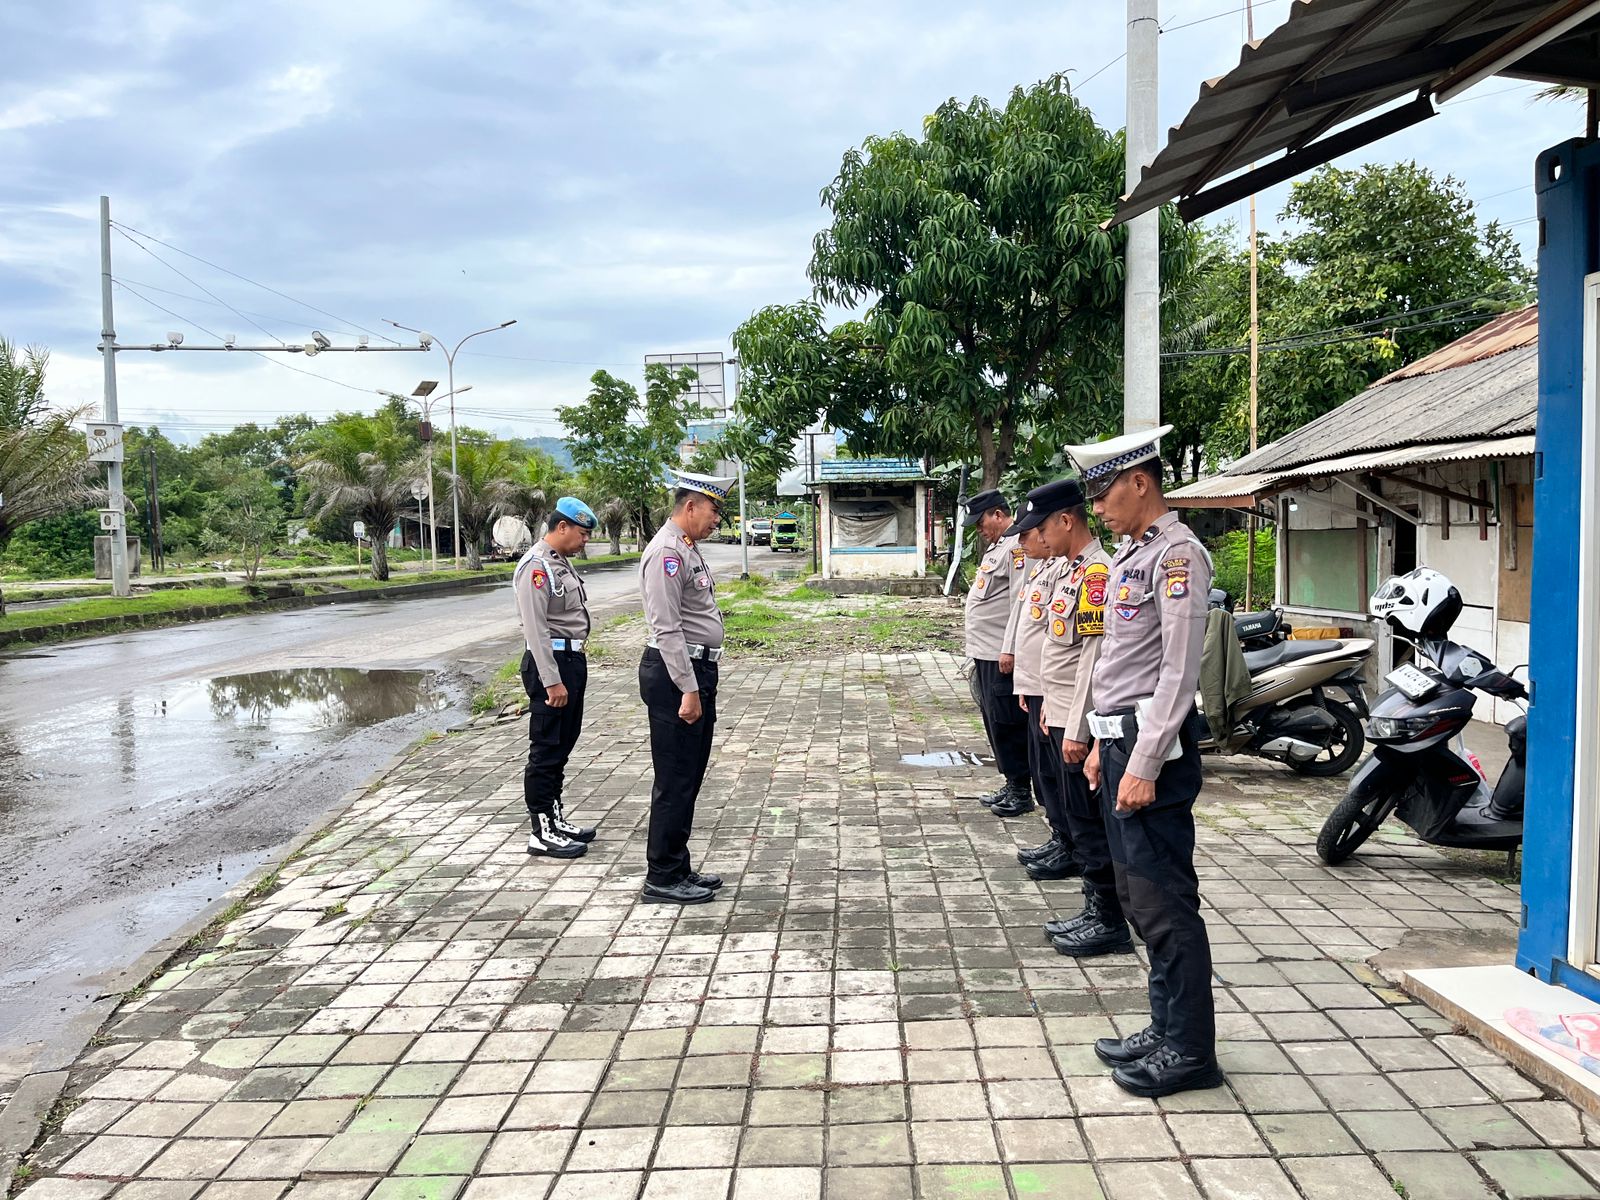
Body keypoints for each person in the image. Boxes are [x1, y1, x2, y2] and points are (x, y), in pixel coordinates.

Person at [1065, 424, 1224, 1099]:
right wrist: (1103, 746)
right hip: (1121, 743)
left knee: (1165, 899)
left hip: (1151, 748)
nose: (1098, 507)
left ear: (1140, 482)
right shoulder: (1136, 554)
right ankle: (1165, 1027)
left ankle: (1190, 1049)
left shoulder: (1178, 557)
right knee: (1137, 896)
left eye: (1104, 493)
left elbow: (1178, 673)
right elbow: (1117, 665)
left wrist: (1145, 762)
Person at [1025, 478, 1134, 957]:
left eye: (1044, 528)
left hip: (1079, 720)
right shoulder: (1069, 571)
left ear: (1066, 521)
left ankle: (1108, 918)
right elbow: (1059, 653)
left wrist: (1078, 728)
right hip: (1061, 711)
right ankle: (1095, 907)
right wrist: (1049, 705)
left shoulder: (1096, 575)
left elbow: (1092, 659)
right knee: (1074, 814)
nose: (1040, 537)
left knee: (1089, 821)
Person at [637, 469, 731, 905]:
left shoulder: (686, 548)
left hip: (695, 671)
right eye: (713, 510)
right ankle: (661, 876)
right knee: (674, 778)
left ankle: (677, 866)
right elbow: (666, 627)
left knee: (688, 775)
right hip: (677, 675)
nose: (717, 520)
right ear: (690, 506)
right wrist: (688, 688)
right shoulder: (667, 553)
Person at [514, 497, 601, 858]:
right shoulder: (536, 567)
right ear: (561, 527)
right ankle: (541, 832)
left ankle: (555, 818)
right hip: (550, 663)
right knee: (546, 749)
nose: (585, 540)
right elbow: (535, 630)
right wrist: (551, 680)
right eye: (582, 533)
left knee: (563, 745)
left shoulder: (559, 562)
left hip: (570, 659)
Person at [997, 505, 1077, 876]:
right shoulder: (1044, 568)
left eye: (1035, 532)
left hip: (1054, 690)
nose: (1031, 540)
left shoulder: (1074, 571)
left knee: (1061, 777)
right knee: (1045, 773)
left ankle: (1071, 844)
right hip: (1036, 685)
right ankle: (1060, 836)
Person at [961, 489, 1032, 815]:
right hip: (986, 651)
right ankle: (1011, 781)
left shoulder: (1017, 548)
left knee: (1007, 722)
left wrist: (1011, 648)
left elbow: (1020, 601)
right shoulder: (998, 548)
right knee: (994, 721)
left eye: (982, 523)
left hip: (1000, 653)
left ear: (998, 514)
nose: (980, 530)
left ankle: (1021, 790)